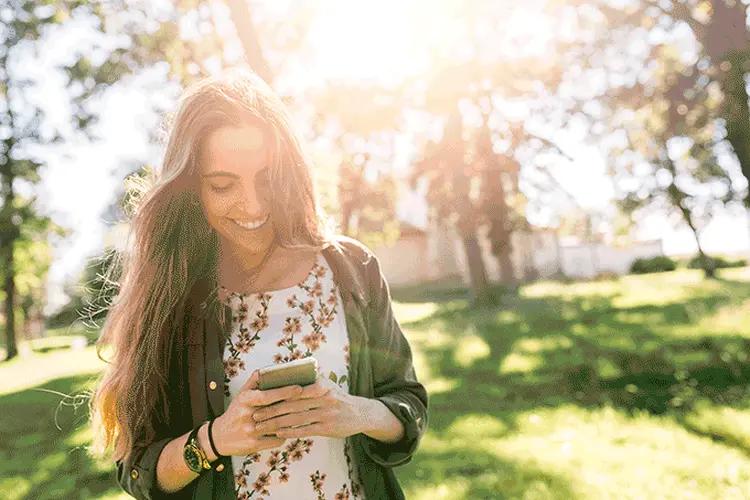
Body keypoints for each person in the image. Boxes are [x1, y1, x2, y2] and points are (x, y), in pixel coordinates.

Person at [87, 68, 428, 500]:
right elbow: (138, 472)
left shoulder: (351, 268)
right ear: (192, 187)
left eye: (267, 178)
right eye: (223, 185)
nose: (253, 204)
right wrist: (215, 440)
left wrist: (355, 412)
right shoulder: (170, 295)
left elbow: (409, 405)